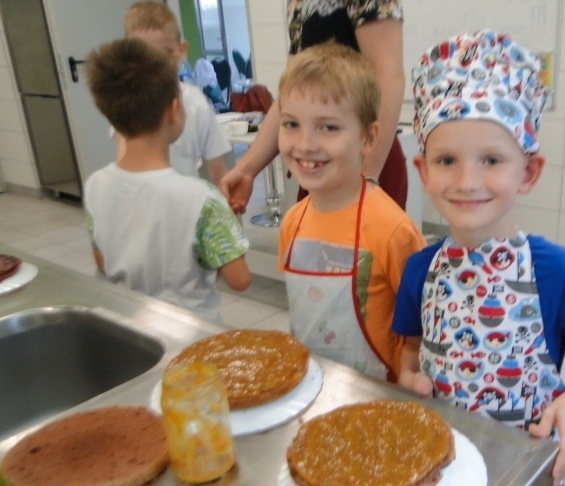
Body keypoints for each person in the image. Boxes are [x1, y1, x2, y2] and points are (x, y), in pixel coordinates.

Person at [391, 30, 565, 486]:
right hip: (441, 465)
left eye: (491, 160)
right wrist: (408, 376)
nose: (467, 181)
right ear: (423, 170)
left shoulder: (559, 273)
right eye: (447, 160)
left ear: (528, 171)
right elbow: (409, 349)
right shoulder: (420, 271)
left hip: (527, 475)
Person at [277, 42, 425, 381]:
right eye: (291, 124)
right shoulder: (292, 223)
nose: (305, 144)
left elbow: (422, 324)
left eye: (328, 127)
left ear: (369, 138)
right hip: (311, 382)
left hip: (378, 393)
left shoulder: (392, 230)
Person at [83, 38, 251, 323]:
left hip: (128, 326)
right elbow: (239, 279)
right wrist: (225, 224)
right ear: (173, 110)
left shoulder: (95, 186)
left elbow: (102, 263)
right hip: (190, 332)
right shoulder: (201, 199)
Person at [221, 0, 407, 213]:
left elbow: (388, 77)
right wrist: (246, 170)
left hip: (366, 160)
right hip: (320, 169)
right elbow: (291, 96)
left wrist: (366, 180)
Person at [120, 1, 231, 187]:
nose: (154, 64)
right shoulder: (126, 104)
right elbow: (123, 162)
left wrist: (225, 201)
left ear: (181, 51)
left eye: (165, 53)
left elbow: (218, 170)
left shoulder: (196, 102)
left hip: (189, 200)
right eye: (143, 55)